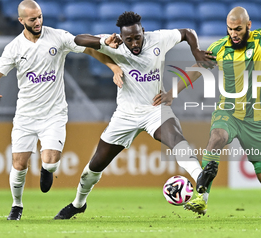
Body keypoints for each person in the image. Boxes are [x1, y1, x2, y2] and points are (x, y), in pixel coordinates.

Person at [53, 11, 217, 219]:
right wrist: (104, 43)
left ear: (143, 32)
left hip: (154, 109)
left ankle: (200, 179)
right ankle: (78, 203)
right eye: (128, 39)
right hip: (126, 114)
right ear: (122, 37)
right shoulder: (114, 43)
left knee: (176, 139)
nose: (134, 43)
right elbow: (79, 40)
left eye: (137, 37)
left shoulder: (159, 39)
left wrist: (196, 51)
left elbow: (187, 32)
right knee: (94, 166)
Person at [0, 0, 120, 220]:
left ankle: (47, 170)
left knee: (51, 161)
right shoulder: (14, 48)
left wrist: (113, 66)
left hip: (53, 115)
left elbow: (89, 48)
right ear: (21, 21)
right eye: (32, 19)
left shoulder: (57, 36)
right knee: (19, 164)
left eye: (39, 17)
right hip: (25, 116)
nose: (38, 22)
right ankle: (16, 206)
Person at [158, 7, 261, 220]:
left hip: (256, 119)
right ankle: (201, 198)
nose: (234, 33)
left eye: (238, 29)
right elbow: (198, 68)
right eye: (230, 29)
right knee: (217, 137)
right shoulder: (220, 48)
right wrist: (172, 93)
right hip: (228, 112)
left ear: (248, 25)